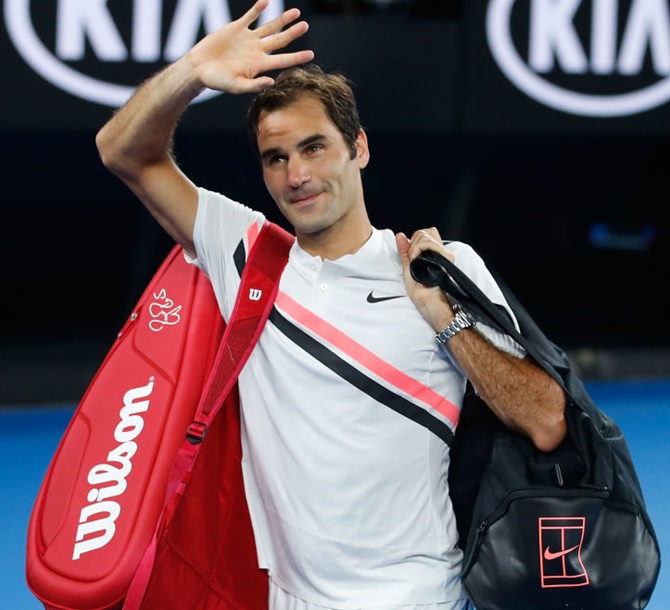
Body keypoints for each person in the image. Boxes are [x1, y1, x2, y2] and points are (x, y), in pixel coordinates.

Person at [96, 1, 567, 608]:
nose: (297, 175)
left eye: (315, 147)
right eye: (276, 158)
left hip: (414, 596)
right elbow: (122, 150)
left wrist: (447, 321)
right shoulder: (246, 255)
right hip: (286, 599)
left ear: (359, 149)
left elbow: (546, 420)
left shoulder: (440, 268)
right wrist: (191, 70)